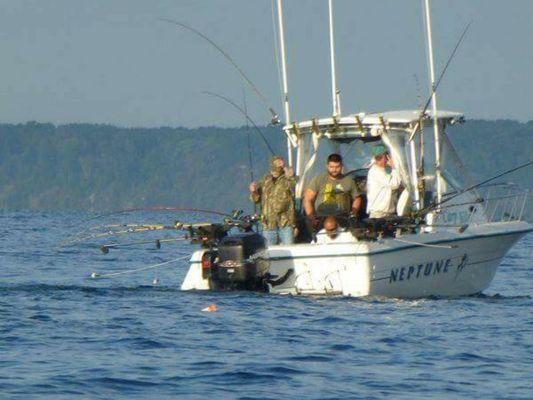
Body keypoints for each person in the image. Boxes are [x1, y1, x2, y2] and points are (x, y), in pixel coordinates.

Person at [303, 153, 362, 229]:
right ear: (327, 166)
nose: (334, 169)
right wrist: (311, 218)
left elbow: (357, 198)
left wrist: (353, 212)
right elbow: (307, 199)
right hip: (322, 219)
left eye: (337, 167)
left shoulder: (349, 180)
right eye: (331, 167)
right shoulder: (319, 179)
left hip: (342, 218)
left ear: (341, 166)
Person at [250, 156, 296, 246]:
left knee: (289, 248)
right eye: (278, 162)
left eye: (282, 162)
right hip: (269, 224)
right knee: (270, 252)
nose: (281, 164)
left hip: (285, 222)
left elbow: (293, 184)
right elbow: (256, 200)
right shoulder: (265, 180)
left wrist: (289, 175)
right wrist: (254, 192)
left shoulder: (287, 178)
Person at [366, 144, 402, 218]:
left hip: (386, 214)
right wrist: (394, 168)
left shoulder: (380, 171)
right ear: (385, 157)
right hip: (379, 215)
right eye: (387, 157)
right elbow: (394, 184)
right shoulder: (375, 171)